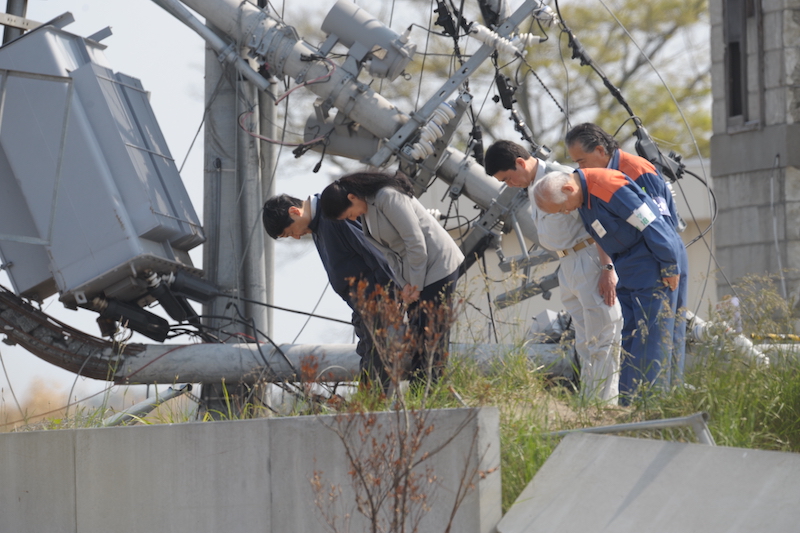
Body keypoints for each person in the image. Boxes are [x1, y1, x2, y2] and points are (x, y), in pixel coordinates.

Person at [485, 140, 622, 404]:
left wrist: (607, 267)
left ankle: (606, 402)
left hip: (588, 257)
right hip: (568, 264)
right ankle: (591, 399)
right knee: (583, 339)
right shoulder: (533, 185)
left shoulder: (561, 178)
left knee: (602, 334)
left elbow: (597, 223)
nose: (508, 184)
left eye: (508, 177)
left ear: (520, 163)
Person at [532, 168, 685, 403]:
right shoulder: (585, 199)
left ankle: (651, 403)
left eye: (564, 207)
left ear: (568, 189)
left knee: (650, 335)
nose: (567, 211)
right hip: (627, 266)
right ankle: (627, 401)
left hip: (649, 264)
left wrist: (670, 266)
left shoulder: (608, 187)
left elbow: (651, 224)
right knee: (628, 337)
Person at [565, 123, 688, 386]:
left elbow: (660, 224)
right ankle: (633, 401)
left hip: (660, 256)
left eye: (581, 161)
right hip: (632, 262)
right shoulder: (595, 181)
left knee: (663, 335)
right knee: (634, 336)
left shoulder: (635, 170)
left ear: (600, 150)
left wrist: (667, 266)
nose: (579, 169)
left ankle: (664, 402)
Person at [318, 171, 464, 383]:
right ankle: (421, 391)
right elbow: (389, 254)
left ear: (352, 198)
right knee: (416, 337)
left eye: (348, 214)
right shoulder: (367, 211)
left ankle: (432, 391)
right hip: (416, 274)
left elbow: (415, 242)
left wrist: (414, 284)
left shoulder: (388, 197)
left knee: (431, 335)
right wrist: (404, 285)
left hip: (438, 266)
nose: (352, 219)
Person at [262, 193, 395, 389]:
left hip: (375, 298)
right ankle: (371, 407)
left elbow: (375, 255)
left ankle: (377, 409)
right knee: (370, 356)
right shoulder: (320, 223)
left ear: (294, 211)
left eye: (290, 232)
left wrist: (389, 296)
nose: (297, 236)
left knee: (378, 357)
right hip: (363, 304)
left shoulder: (331, 213)